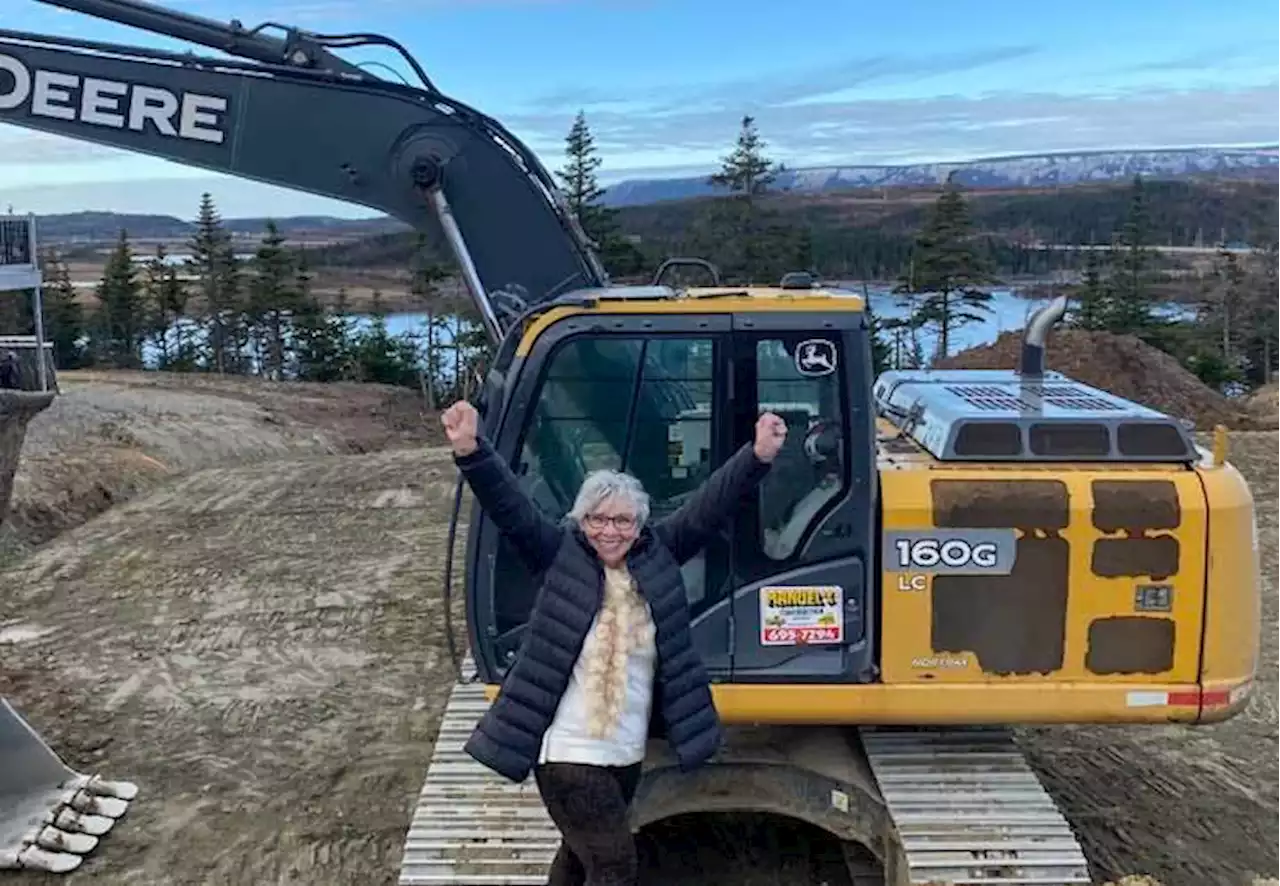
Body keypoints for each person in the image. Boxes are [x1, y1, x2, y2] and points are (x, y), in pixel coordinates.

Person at [440, 399, 787, 886]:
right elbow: (511, 507)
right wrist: (472, 451)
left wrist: (757, 455)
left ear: (640, 526)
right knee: (615, 865)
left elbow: (709, 506)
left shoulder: (657, 558)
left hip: (623, 754)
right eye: (597, 520)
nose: (610, 531)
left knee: (580, 857)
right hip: (568, 755)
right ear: (581, 523)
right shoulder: (560, 557)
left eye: (622, 521)